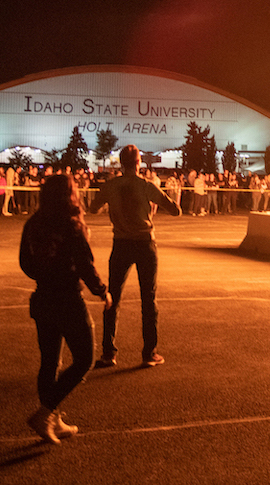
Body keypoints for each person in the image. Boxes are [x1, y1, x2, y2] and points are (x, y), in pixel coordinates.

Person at [19, 174, 111, 443]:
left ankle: (53, 418)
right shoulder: (72, 225)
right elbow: (85, 265)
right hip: (68, 300)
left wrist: (43, 273)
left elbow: (25, 261)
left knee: (49, 362)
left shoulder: (33, 223)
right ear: (70, 195)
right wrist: (103, 292)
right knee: (84, 361)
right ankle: (45, 413)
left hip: (42, 297)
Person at [88, 144, 180, 369]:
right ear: (139, 163)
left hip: (120, 244)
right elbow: (174, 209)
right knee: (148, 299)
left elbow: (92, 208)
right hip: (144, 244)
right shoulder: (146, 186)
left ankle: (109, 352)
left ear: (121, 163)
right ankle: (149, 352)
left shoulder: (111, 186)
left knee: (113, 298)